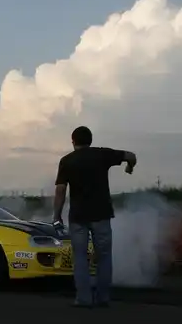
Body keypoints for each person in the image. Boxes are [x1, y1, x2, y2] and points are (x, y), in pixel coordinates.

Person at [53, 126, 136, 308]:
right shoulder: (102, 154)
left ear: (73, 141)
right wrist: (129, 167)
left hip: (78, 217)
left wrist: (56, 215)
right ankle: (103, 297)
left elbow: (60, 191)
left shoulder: (66, 161)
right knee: (104, 257)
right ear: (90, 140)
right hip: (101, 214)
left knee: (80, 257)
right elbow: (131, 156)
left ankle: (83, 298)